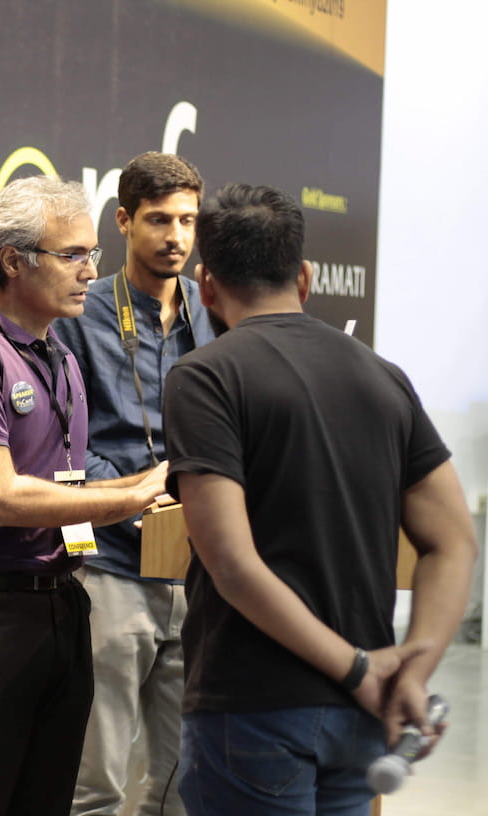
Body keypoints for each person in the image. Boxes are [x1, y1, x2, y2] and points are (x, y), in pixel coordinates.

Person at [161, 183, 478, 815]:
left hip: (255, 707)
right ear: (305, 278)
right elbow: (454, 540)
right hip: (360, 718)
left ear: (206, 286)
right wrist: (408, 670)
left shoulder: (205, 376)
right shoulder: (383, 377)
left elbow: (231, 563)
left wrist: (362, 670)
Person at [0, 175, 169, 816]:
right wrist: (127, 500)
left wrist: (150, 486)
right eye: (72, 255)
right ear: (14, 261)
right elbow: (0, 498)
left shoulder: (59, 359)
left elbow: (64, 484)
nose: (90, 271)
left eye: (92, 254)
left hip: (60, 608)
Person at [53, 151, 210, 816]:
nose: (175, 236)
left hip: (203, 573)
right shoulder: (80, 314)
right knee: (95, 784)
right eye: (157, 220)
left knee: (182, 782)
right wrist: (127, 500)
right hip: (112, 570)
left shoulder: (215, 310)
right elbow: (61, 446)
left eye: (186, 220)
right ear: (121, 221)